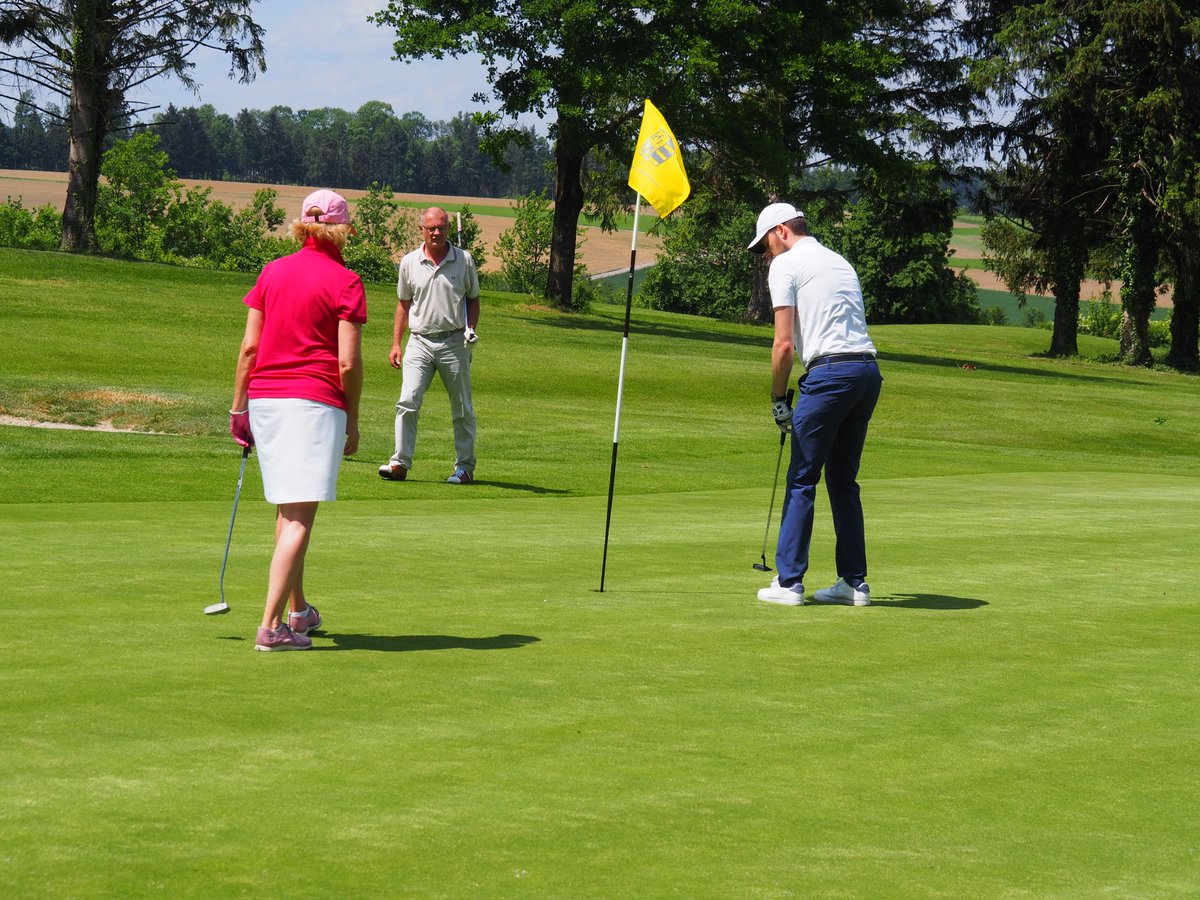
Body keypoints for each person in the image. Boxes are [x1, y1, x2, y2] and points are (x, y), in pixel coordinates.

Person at [230, 189, 366, 651]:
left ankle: (298, 611)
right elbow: (347, 364)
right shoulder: (346, 280)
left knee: (287, 509)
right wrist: (353, 419)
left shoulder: (271, 271)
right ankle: (271, 627)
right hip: (314, 402)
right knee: (300, 517)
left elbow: (250, 348)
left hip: (266, 400)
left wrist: (238, 408)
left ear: (302, 225)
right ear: (341, 229)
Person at [747, 202, 883, 608]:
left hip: (829, 377)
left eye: (767, 244)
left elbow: (784, 344)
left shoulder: (785, 265)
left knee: (803, 477)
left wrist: (777, 398)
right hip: (866, 373)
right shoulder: (838, 260)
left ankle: (789, 583)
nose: (767, 254)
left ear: (781, 231)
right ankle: (854, 584)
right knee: (843, 480)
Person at [378, 206, 481, 485]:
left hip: (454, 342)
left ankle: (464, 468)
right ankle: (400, 462)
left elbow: (473, 298)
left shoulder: (464, 260)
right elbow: (403, 304)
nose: (437, 232)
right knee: (408, 401)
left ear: (448, 228)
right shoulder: (409, 262)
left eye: (442, 227)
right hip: (419, 341)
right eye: (431, 228)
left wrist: (471, 328)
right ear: (422, 230)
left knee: (462, 408)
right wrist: (396, 343)